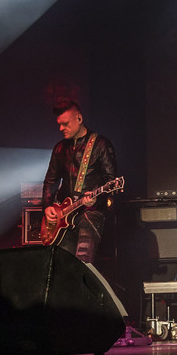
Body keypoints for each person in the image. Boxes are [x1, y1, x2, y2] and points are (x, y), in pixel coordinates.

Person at [40, 100, 119, 265]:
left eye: (65, 124)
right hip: (64, 213)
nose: (61, 128)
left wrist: (97, 197)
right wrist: (47, 206)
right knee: (62, 263)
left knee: (83, 259)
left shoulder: (100, 144)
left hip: (91, 210)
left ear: (79, 119)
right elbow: (50, 181)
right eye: (59, 124)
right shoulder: (59, 148)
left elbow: (111, 181)